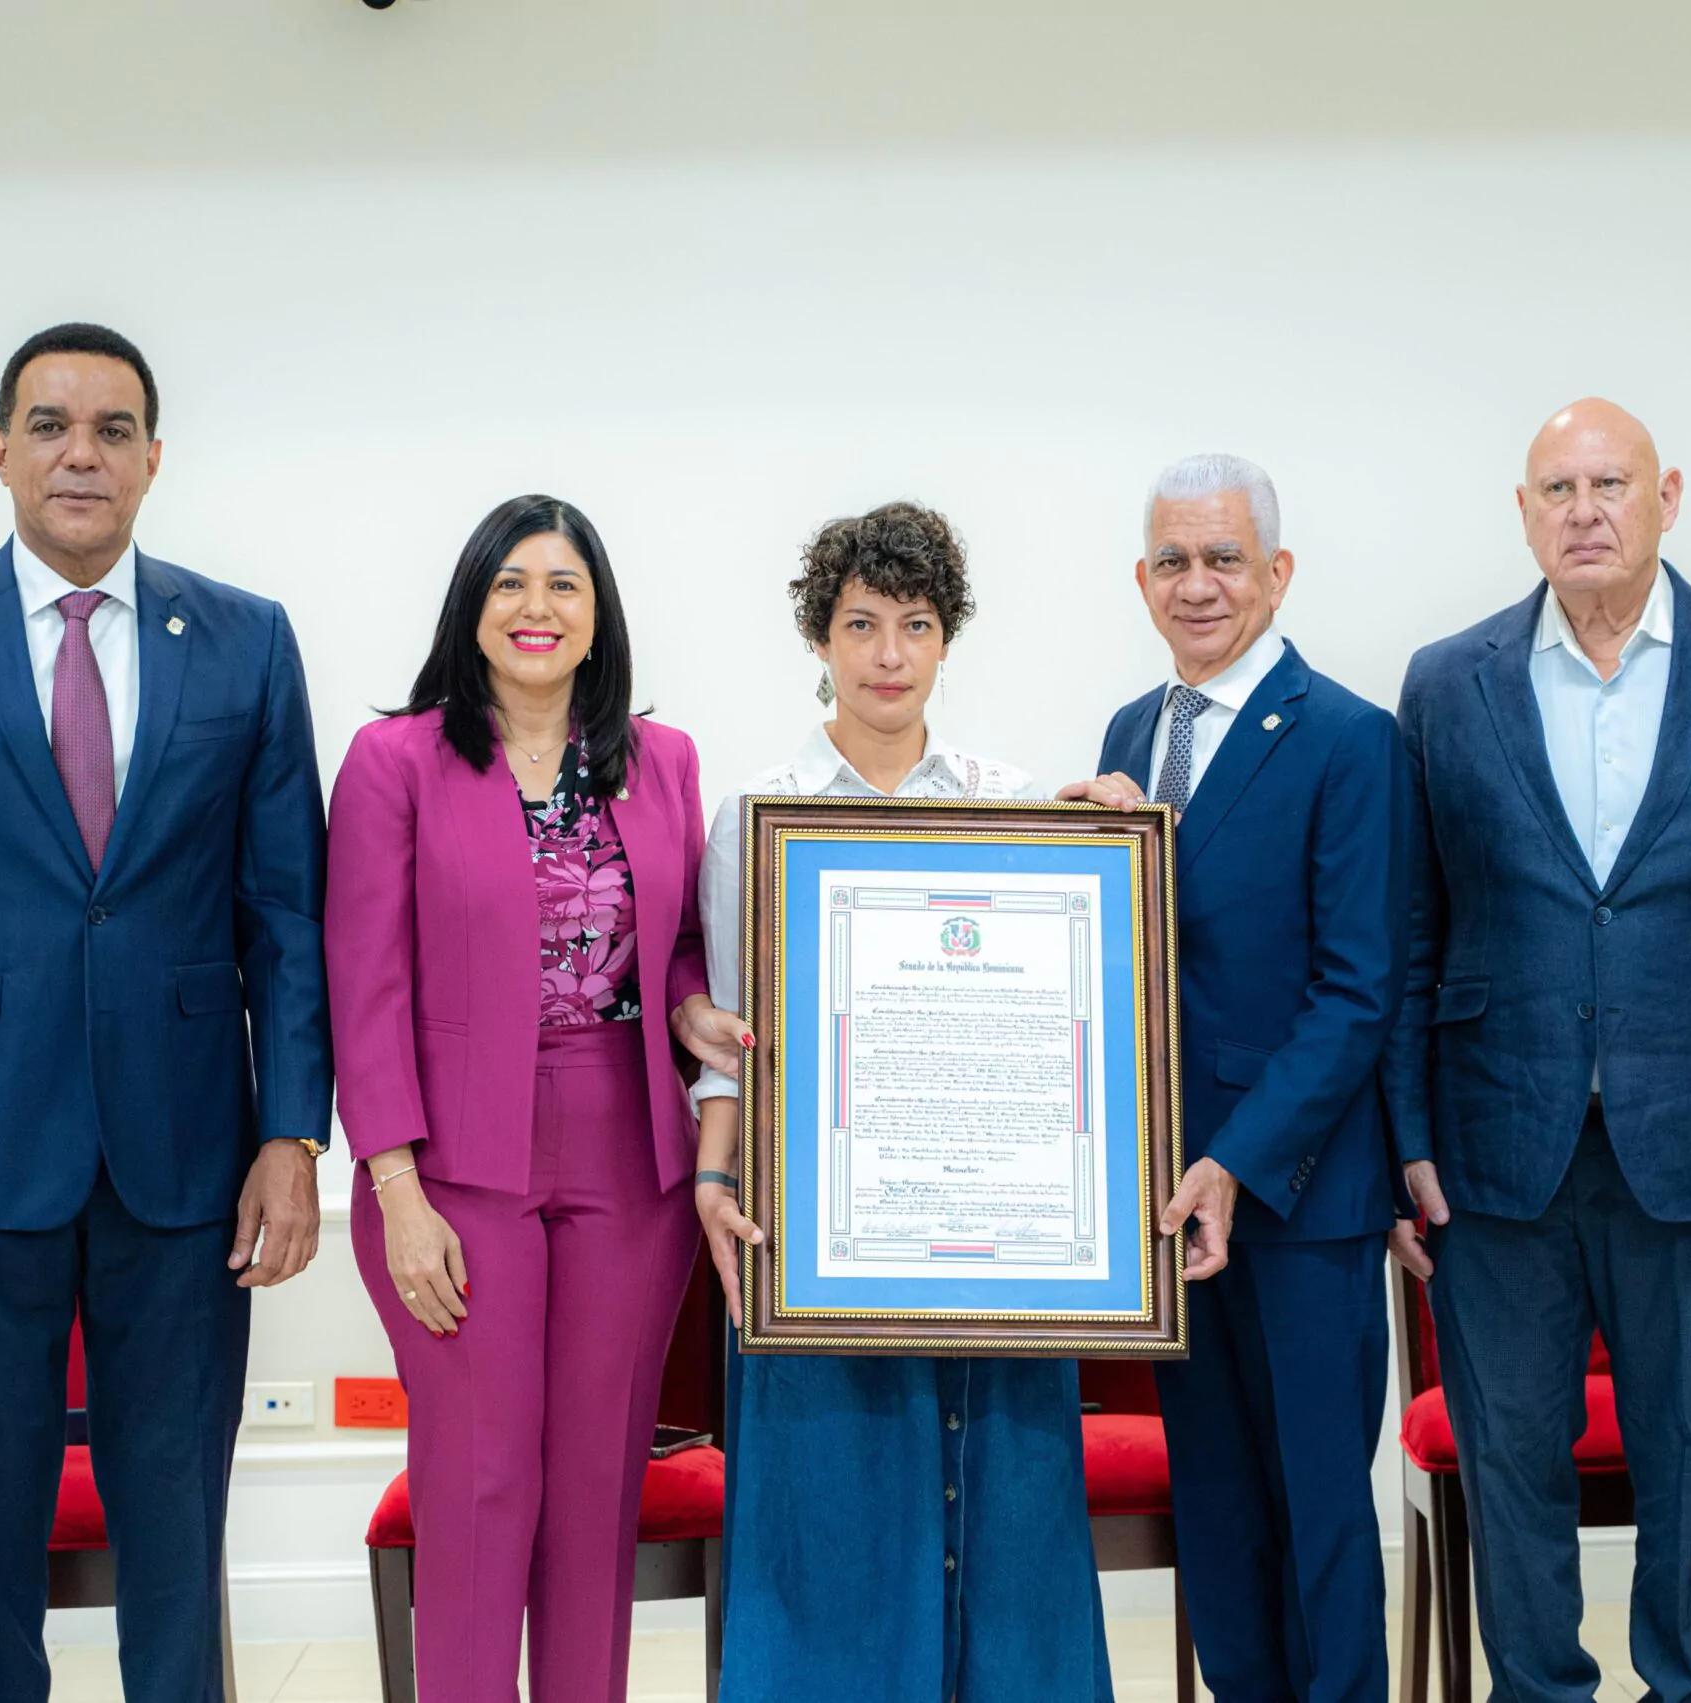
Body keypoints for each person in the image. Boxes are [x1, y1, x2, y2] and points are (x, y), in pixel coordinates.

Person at [0, 323, 332, 1703]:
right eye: (49, 425)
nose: (80, 453)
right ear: (0, 451)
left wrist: (293, 1136)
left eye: (112, 429)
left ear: (156, 457)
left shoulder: (249, 641)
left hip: (189, 1167)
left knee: (178, 1537)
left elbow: (288, 920)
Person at [1386, 400, 1691, 1703]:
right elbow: (1410, 928)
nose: (1583, 510)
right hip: (1490, 1151)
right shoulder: (1446, 680)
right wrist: (1402, 1139)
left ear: (1667, 495)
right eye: (1557, 488)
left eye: (1610, 483)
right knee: (1510, 1473)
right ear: (1523, 511)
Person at [691, 502, 1114, 1702]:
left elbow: (1067, 1022)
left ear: (946, 638)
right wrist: (715, 1179)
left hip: (998, 1235)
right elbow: (732, 1037)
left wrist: (1118, 845)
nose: (888, 653)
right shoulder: (758, 813)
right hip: (820, 1238)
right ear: (818, 637)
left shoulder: (1011, 797)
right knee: (832, 1544)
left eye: (916, 624)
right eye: (861, 623)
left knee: (1007, 1541)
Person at [326, 495, 736, 1703]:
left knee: (598, 1487)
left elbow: (674, 944)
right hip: (449, 1161)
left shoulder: (664, 761)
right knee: (479, 1479)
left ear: (599, 615)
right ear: (472, 607)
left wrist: (690, 1009)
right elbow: (362, 982)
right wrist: (396, 1188)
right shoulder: (394, 762)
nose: (535, 607)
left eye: (563, 584)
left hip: (629, 1149)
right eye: (509, 583)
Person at [1067, 454, 1410, 1703]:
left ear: (1277, 572)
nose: (1197, 584)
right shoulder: (1128, 735)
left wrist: (1236, 1160)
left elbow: (1357, 990)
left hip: (1297, 1195)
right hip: (1166, 1198)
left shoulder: (1350, 738)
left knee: (1319, 1514)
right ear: (1140, 578)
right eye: (1173, 561)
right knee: (1215, 1505)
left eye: (1223, 558)